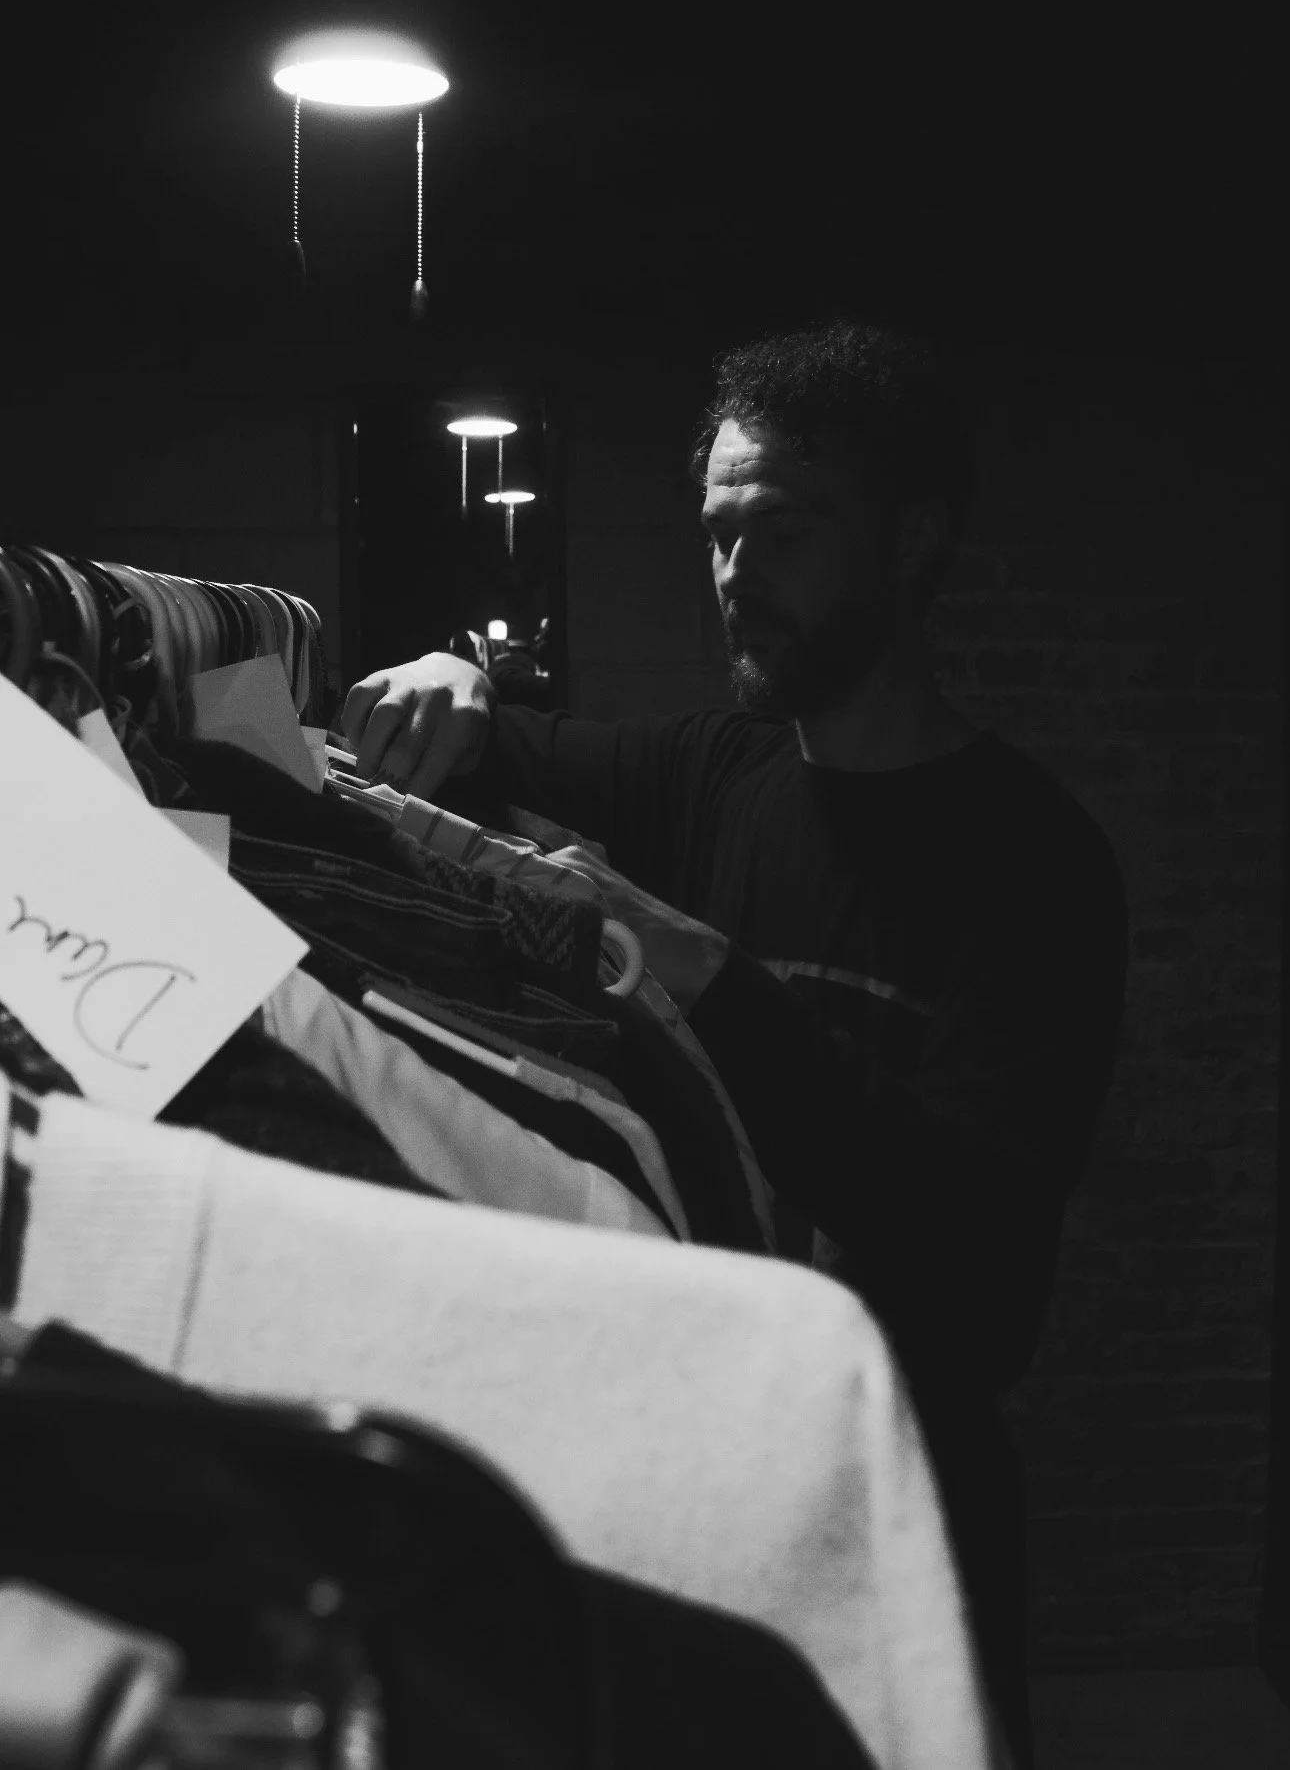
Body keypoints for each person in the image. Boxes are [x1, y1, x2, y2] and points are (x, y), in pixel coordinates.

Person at [342, 319, 1131, 1770]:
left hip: (904, 1492)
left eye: (782, 532)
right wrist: (457, 678)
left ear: (910, 542)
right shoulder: (717, 770)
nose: (732, 577)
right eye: (715, 533)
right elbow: (505, 744)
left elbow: (981, 1260)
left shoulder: (1038, 865)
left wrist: (707, 980)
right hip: (706, 1462)